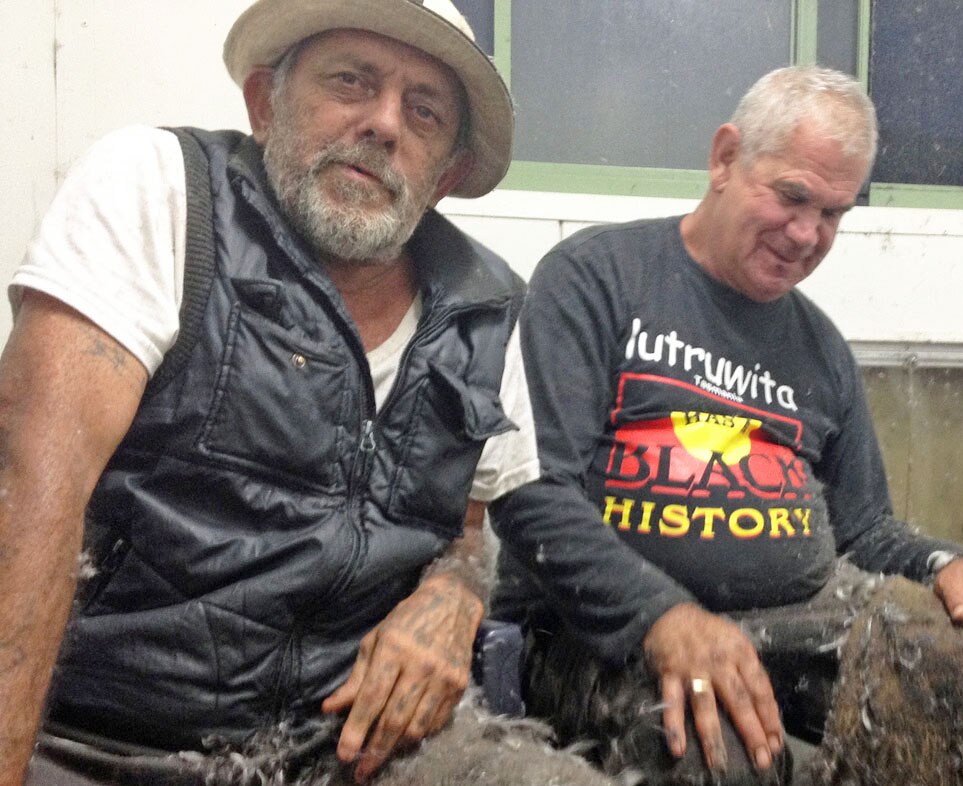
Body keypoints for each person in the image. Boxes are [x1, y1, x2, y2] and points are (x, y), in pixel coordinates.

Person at [0, 1, 566, 785]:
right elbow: (31, 492)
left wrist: (457, 596)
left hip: (345, 745)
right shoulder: (161, 193)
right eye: (350, 81)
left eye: (425, 112)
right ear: (265, 104)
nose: (383, 124)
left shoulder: (488, 311)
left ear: (447, 176)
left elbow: (468, 531)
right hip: (93, 741)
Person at [488, 65, 963, 786]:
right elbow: (534, 494)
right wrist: (662, 617)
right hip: (595, 634)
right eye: (793, 197)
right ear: (724, 159)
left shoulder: (820, 347)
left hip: (787, 623)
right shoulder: (594, 278)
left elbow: (866, 531)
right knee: (723, 758)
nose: (807, 234)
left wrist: (946, 563)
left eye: (833, 214)